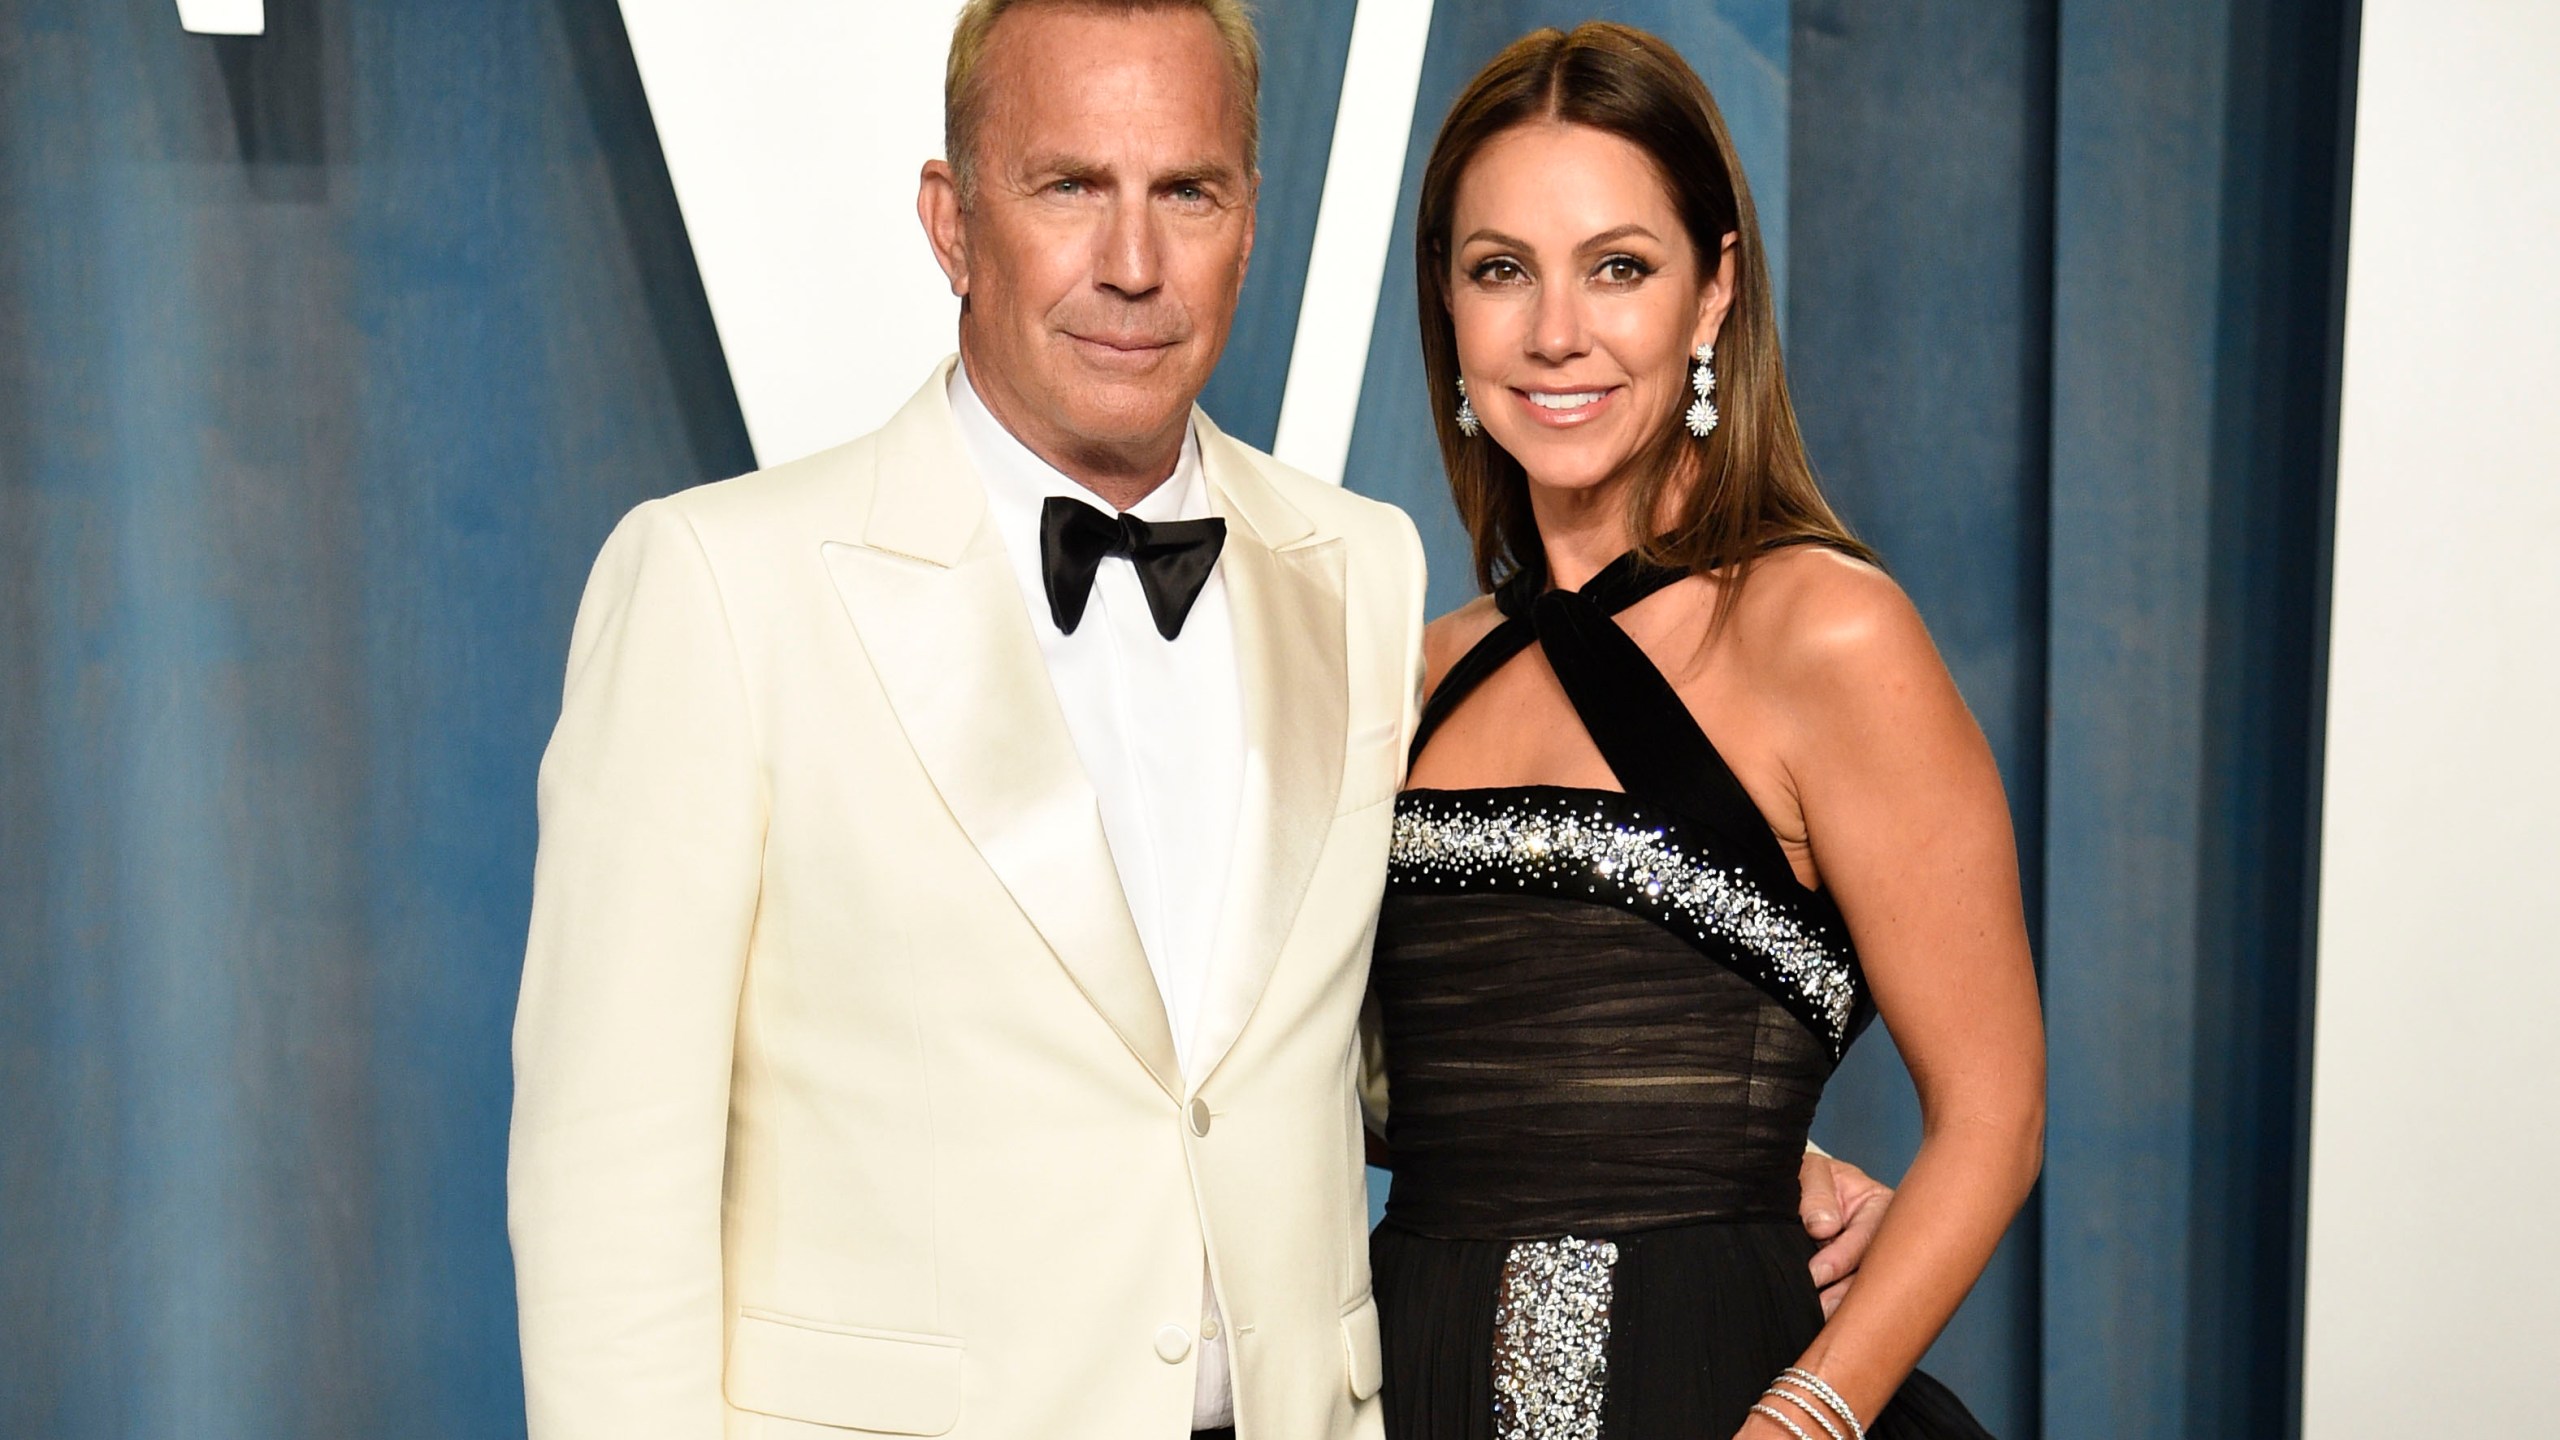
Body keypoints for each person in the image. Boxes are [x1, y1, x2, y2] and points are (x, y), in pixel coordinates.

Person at [508, 4, 1896, 1438]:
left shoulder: (1357, 574)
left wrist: (1673, 1146)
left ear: (1249, 222)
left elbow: (1349, 1041)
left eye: (1187, 192)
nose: (1131, 264)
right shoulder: (719, 588)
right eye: (1068, 186)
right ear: (951, 222)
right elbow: (606, 1192)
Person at [1363, 23, 2044, 1440]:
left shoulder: (1823, 633)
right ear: (1448, 303)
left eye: (1619, 265)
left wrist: (1803, 1420)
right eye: (1503, 270)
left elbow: (1994, 1114)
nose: (1557, 331)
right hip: (1404, 1386)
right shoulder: (1411, 674)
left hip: (1722, 1396)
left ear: (1712, 293)